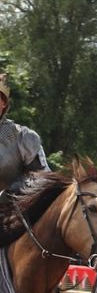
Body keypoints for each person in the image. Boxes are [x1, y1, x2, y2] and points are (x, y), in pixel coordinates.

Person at [0, 73, 50, 203]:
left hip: (10, 214)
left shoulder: (22, 137)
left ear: (3, 104)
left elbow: (43, 179)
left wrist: (9, 192)